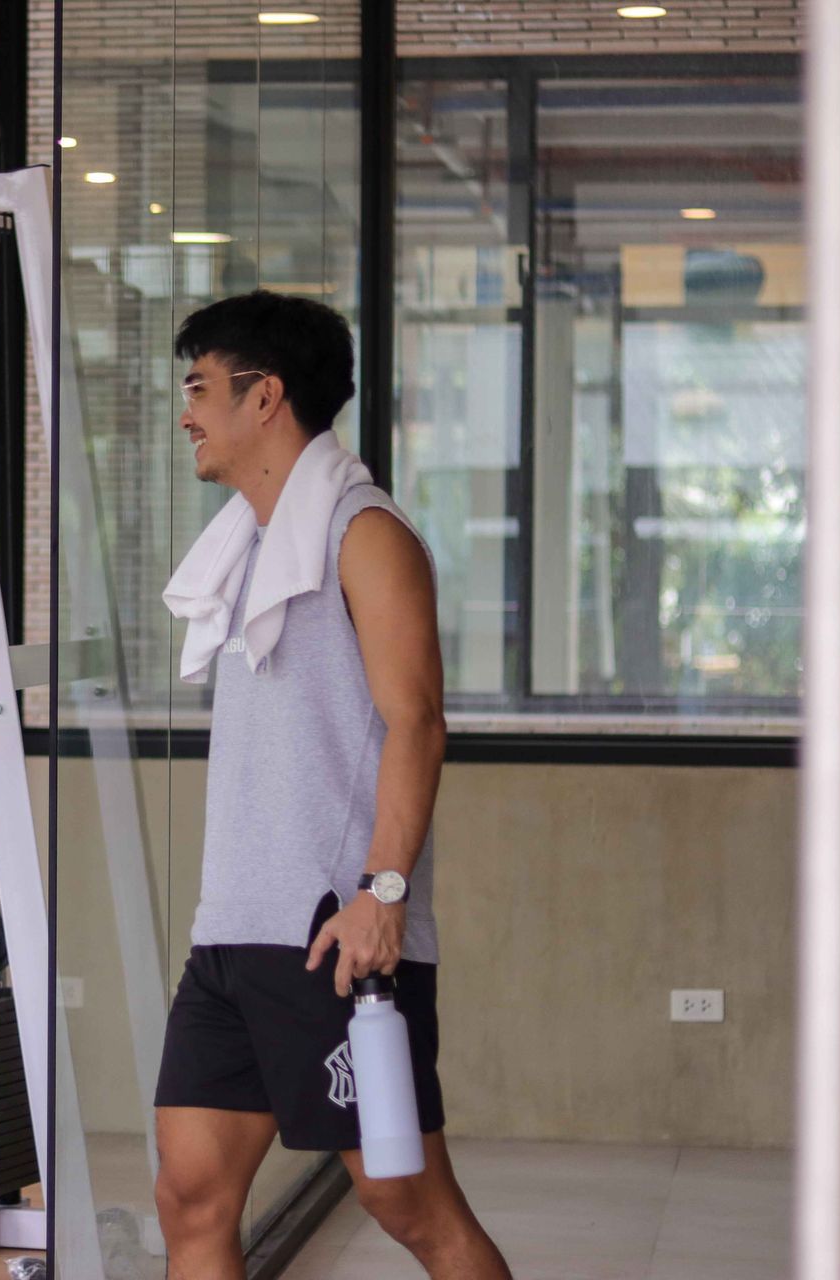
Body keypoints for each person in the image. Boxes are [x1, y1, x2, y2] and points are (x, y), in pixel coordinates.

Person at [151, 292, 508, 1279]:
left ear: (264, 397)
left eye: (199, 388)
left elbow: (418, 719)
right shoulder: (251, 543)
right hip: (230, 934)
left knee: (409, 1204)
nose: (186, 412)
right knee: (190, 1193)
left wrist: (383, 892)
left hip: (331, 938)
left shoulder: (364, 532)